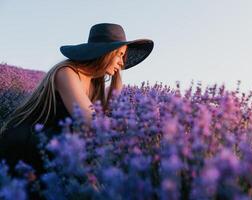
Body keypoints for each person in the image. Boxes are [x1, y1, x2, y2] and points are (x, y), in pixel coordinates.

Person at [0, 23, 154, 177]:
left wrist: (117, 84)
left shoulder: (96, 83)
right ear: (105, 52)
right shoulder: (67, 73)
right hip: (28, 147)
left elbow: (102, 118)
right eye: (120, 54)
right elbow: (90, 121)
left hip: (57, 149)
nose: (122, 62)